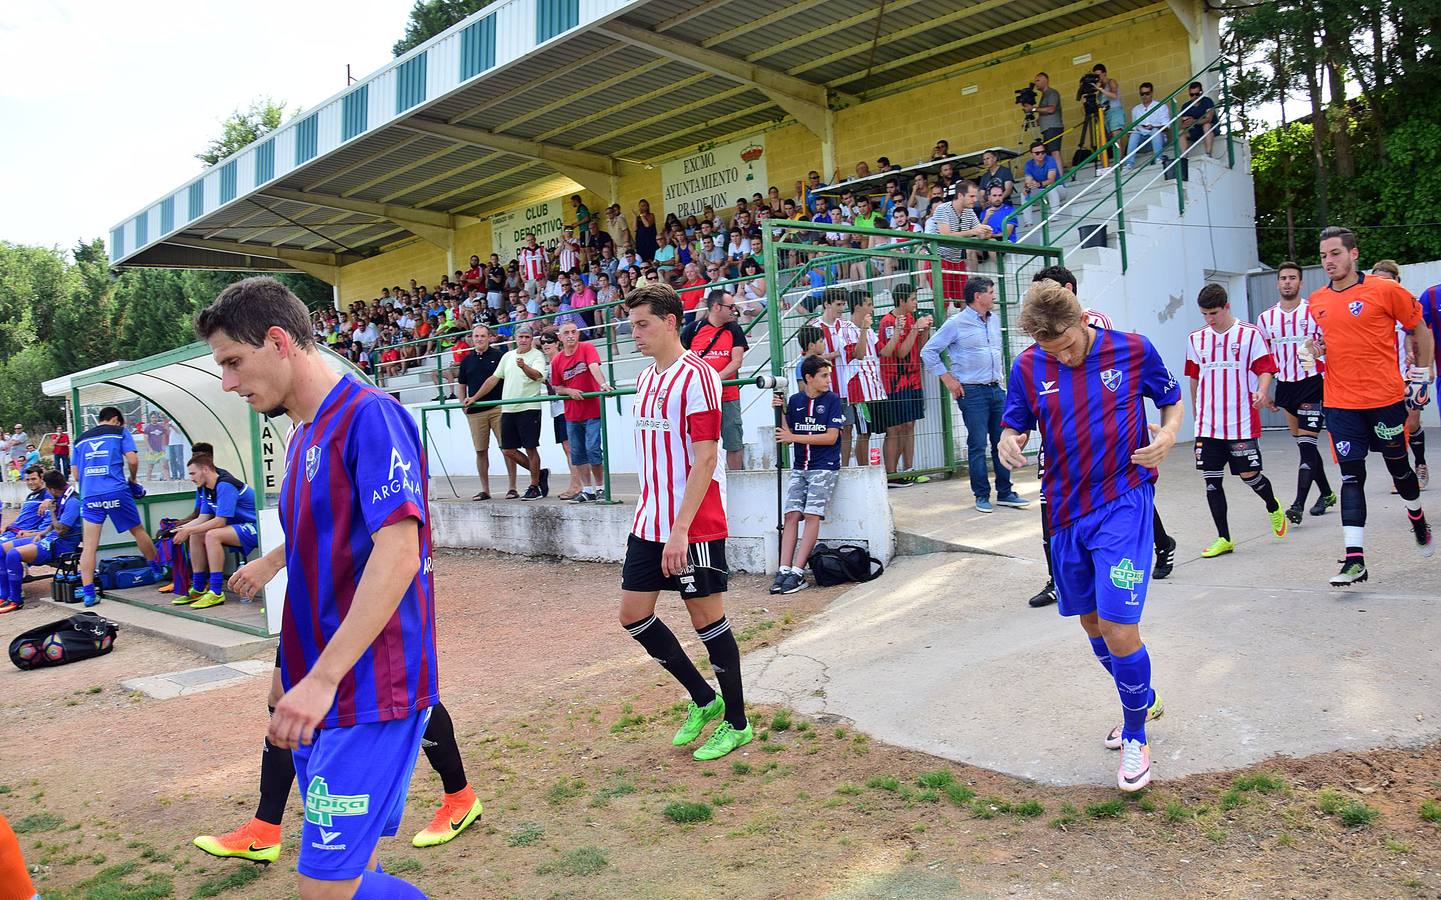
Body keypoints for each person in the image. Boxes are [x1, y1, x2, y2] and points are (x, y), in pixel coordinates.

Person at [195, 276, 436, 897]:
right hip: (315, 689)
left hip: (367, 689)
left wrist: (323, 678)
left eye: (233, 362)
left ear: (278, 341)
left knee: (324, 889)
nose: (227, 383)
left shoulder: (370, 417)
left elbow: (399, 551)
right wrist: (290, 669)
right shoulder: (304, 433)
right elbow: (317, 549)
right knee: (355, 874)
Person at [998, 279, 1182, 792]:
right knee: (1091, 622)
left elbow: (1171, 401)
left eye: (1071, 345)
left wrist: (1166, 435)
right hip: (1063, 512)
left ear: (1082, 320)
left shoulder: (1132, 348)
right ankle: (1143, 695)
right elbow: (1014, 425)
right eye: (1054, 351)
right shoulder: (1030, 366)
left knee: (1120, 624)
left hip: (1124, 500)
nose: (1067, 356)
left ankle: (1135, 735)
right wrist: (1007, 443)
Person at [620, 282, 752, 761]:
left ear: (670, 321)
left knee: (706, 619)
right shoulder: (644, 378)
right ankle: (703, 699)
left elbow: (705, 458)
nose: (635, 333)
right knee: (633, 615)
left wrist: (679, 530)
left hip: (691, 523)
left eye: (643, 324)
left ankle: (736, 723)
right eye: (632, 325)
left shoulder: (699, 377)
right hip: (648, 519)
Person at [1025, 265, 1177, 609]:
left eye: (1044, 290)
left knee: (1124, 503)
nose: (1062, 356)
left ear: (1066, 291)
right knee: (1053, 513)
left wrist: (1165, 432)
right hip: (1061, 455)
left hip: (1115, 460)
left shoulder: (1104, 331)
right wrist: (1012, 433)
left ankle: (1159, 542)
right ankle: (1057, 579)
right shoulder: (1035, 350)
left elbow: (1124, 382)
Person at [1305, 227, 1434, 586]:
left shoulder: (1385, 290)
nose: (1329, 261)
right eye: (1323, 256)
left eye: (1335, 254)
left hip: (1385, 399)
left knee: (1399, 471)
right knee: (1351, 476)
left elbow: (1419, 329)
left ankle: (1416, 517)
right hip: (1340, 403)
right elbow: (1330, 340)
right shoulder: (1316, 300)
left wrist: (1421, 375)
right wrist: (1316, 350)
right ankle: (1354, 559)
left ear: (1354, 254)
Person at [1185, 283, 1287, 557]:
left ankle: (1272, 505)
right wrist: (1197, 413)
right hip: (1208, 424)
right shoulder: (1196, 339)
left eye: (1214, 313)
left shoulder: (1250, 334)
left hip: (1240, 420)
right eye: (1205, 314)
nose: (1209, 319)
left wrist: (1262, 391)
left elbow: (1265, 369)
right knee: (1211, 481)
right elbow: (1195, 377)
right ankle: (1224, 538)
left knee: (1249, 476)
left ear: (1227, 307)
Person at [921, 276, 1030, 513]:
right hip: (971, 392)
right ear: (978, 296)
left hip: (996, 388)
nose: (994, 296)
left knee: (1002, 441)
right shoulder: (956, 323)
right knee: (977, 444)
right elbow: (928, 351)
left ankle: (1005, 492)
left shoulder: (994, 320)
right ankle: (981, 495)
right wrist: (948, 379)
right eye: (990, 292)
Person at [1256, 262, 1338, 523]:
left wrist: (1319, 352)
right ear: (1277, 283)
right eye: (1283, 278)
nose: (1288, 282)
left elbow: (1329, 344)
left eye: (1293, 278)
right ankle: (1326, 493)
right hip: (1286, 386)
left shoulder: (1313, 312)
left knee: (1306, 446)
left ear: (1301, 283)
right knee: (1307, 447)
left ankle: (1298, 505)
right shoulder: (1265, 318)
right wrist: (1263, 390)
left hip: (1312, 383)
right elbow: (1262, 358)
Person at [770, 356, 845, 595]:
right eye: (823, 376)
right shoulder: (796, 400)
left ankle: (798, 571)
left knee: (812, 515)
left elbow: (831, 437)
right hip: (800, 466)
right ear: (809, 378)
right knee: (791, 514)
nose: (828, 380)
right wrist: (779, 410)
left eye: (828, 375)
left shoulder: (832, 400)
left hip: (824, 466)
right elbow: (786, 432)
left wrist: (794, 438)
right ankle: (783, 568)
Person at [75, 407, 164, 607]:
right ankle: (158, 569)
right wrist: (132, 480)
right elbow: (132, 460)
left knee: (89, 545)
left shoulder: (80, 439)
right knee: (137, 530)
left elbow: (75, 475)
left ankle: (89, 593)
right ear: (116, 419)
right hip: (115, 489)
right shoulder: (120, 432)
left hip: (89, 494)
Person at [167, 453, 259, 610]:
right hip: (236, 528)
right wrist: (180, 529)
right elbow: (203, 518)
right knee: (196, 533)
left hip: (255, 527)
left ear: (205, 469)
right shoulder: (205, 488)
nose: (191, 478)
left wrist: (187, 531)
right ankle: (198, 588)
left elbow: (219, 521)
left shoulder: (225, 485)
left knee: (212, 535)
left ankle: (216, 591)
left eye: (192, 473)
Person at [472, 326, 550, 501]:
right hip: (508, 409)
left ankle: (534, 485)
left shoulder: (537, 356)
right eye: (520, 336)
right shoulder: (507, 356)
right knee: (507, 450)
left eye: (526, 337)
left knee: (530, 448)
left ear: (531, 339)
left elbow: (537, 376)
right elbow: (494, 379)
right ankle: (538, 474)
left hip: (529, 408)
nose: (523, 340)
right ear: (515, 338)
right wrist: (474, 397)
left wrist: (524, 367)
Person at [1372, 261, 1430, 489]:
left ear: (1397, 281)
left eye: (1387, 280)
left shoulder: (1408, 303)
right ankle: (1403, 474)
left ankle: (1421, 463)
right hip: (1383, 376)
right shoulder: (1369, 306)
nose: (1382, 286)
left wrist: (1421, 363)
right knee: (1394, 426)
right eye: (1377, 281)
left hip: (1408, 372)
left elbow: (1421, 333)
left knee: (1412, 420)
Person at [681, 291, 749, 471]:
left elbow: (737, 362)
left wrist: (713, 379)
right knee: (700, 442)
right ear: (716, 307)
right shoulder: (693, 329)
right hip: (699, 398)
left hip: (727, 397)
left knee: (733, 441)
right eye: (730, 307)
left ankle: (736, 480)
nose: (734, 310)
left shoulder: (734, 329)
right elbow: (680, 359)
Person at [0, 469, 81, 613]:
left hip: (59, 545)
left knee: (13, 555)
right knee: (1, 550)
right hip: (48, 539)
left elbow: (61, 529)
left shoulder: (72, 501)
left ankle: (15, 600)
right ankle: (4, 595)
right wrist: (42, 533)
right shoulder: (61, 496)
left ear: (51, 489)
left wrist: (52, 511)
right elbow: (54, 524)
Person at [550, 321, 612, 501]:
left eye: (574, 332)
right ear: (560, 338)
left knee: (593, 449)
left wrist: (603, 384)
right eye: (566, 333)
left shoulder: (587, 348)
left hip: (592, 410)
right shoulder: (557, 361)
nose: (571, 335)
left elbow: (594, 366)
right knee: (577, 453)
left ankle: (600, 488)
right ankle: (588, 490)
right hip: (572, 414)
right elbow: (557, 386)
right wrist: (569, 391)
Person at [877, 284, 932, 484]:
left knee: (910, 425)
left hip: (913, 379)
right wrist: (915, 328)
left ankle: (909, 469)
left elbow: (920, 348)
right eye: (913, 299)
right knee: (895, 428)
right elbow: (900, 352)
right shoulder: (888, 322)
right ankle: (892, 474)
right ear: (902, 301)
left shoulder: (910, 319)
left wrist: (925, 330)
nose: (916, 303)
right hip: (894, 382)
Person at [459, 325, 518, 501]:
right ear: (472, 338)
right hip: (475, 412)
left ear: (489, 337)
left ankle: (512, 487)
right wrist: (462, 403)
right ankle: (485, 490)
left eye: (483, 336)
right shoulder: (466, 361)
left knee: (507, 449)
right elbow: (461, 384)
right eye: (476, 336)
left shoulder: (499, 356)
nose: (479, 339)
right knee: (480, 451)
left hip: (498, 408)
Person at [925, 180, 991, 305]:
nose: (975, 199)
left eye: (975, 196)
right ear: (960, 195)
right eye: (971, 196)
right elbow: (946, 235)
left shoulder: (969, 212)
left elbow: (979, 232)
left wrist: (985, 233)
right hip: (938, 260)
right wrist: (974, 231)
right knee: (942, 303)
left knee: (965, 301)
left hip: (957, 260)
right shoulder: (942, 209)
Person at [842, 292, 886, 467]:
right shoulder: (845, 329)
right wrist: (864, 330)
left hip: (875, 388)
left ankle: (882, 472)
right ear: (858, 307)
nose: (872, 308)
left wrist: (899, 329)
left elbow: (884, 351)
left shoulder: (869, 330)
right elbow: (858, 354)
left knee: (880, 430)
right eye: (869, 304)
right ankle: (863, 470)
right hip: (859, 389)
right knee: (863, 432)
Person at [1020, 140, 1066, 230]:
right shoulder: (1028, 164)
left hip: (1059, 190)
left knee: (1050, 188)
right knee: (1024, 193)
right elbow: (1028, 181)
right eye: (1037, 153)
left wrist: (1038, 184)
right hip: (1042, 192)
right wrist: (1027, 187)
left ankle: (1055, 218)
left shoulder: (1050, 160)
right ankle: (1028, 223)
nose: (1040, 155)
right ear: (1031, 154)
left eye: (1043, 152)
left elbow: (1051, 180)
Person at [1125, 82, 1167, 170]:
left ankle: (1158, 158)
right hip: (1142, 141)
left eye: (1147, 93)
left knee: (1155, 131)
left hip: (1157, 139)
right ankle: (1128, 164)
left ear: (1152, 93)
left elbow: (1167, 127)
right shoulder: (1135, 109)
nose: (1144, 96)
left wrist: (1153, 127)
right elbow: (1134, 128)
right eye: (1142, 94)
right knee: (1134, 134)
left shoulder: (1161, 106)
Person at [1032, 72, 1064, 174]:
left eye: (1038, 80)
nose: (1035, 83)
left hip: (1053, 127)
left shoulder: (1052, 93)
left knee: (1054, 152)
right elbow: (1045, 112)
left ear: (1045, 80)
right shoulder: (1044, 95)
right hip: (1047, 128)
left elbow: (1051, 109)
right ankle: (1055, 177)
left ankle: (1060, 178)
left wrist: (1032, 109)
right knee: (1049, 153)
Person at [1179, 81, 1217, 158]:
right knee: (1181, 132)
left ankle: (1208, 154)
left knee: (1206, 125)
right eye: (1192, 94)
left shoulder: (1207, 101)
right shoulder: (1186, 106)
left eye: (1197, 94)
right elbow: (1181, 125)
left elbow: (1208, 119)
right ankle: (1183, 158)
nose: (1194, 96)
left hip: (1211, 128)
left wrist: (1193, 121)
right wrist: (1186, 123)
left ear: (1201, 92)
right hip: (1195, 131)